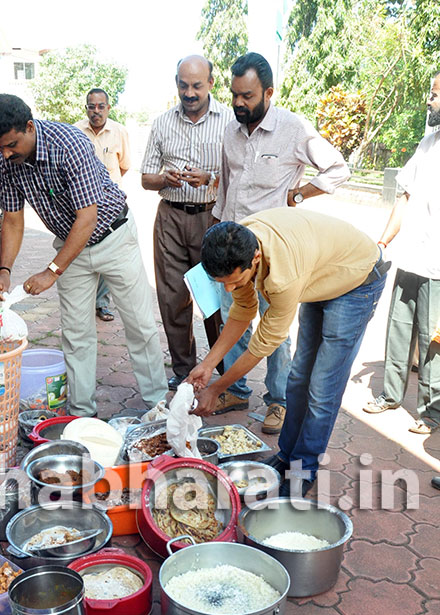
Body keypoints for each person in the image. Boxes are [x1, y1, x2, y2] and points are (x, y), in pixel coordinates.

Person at [0, 94, 167, 418]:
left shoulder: (69, 143)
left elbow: (87, 218)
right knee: (77, 333)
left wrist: (51, 271)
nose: (6, 154)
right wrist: (4, 271)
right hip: (71, 246)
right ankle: (82, 414)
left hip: (114, 236)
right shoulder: (9, 164)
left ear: (29, 127)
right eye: (0, 147)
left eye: (11, 145)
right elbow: (12, 220)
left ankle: (158, 406)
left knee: (139, 325)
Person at [188, 210, 389, 497]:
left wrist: (217, 388)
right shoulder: (237, 244)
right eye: (223, 283)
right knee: (297, 379)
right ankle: (286, 456)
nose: (229, 288)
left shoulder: (283, 277)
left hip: (357, 280)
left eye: (234, 281)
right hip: (320, 274)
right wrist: (208, 364)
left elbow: (262, 344)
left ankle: (303, 470)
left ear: (255, 258)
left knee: (322, 388)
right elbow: (242, 311)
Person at [213, 52, 350, 432]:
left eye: (248, 96)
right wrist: (217, 227)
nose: (239, 103)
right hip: (232, 250)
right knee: (233, 320)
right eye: (234, 95)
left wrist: (300, 194)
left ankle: (278, 401)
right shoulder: (230, 131)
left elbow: (339, 168)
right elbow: (226, 184)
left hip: (273, 255)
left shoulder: (293, 128)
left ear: (269, 93)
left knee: (275, 332)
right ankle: (236, 390)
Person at [141, 55, 233, 400]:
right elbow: (146, 177)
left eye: (196, 85)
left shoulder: (229, 121)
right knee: (172, 298)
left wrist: (210, 178)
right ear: (176, 84)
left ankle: (222, 373)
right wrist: (164, 178)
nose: (189, 93)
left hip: (213, 217)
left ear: (211, 83)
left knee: (215, 298)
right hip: (171, 217)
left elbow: (238, 174)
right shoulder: (162, 123)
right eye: (183, 85)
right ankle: (184, 370)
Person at [362, 71, 440, 435]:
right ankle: (391, 395)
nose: (429, 100)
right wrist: (382, 243)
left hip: (437, 268)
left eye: (435, 95)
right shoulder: (428, 144)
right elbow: (404, 197)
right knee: (398, 328)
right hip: (411, 257)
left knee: (432, 340)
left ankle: (432, 412)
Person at [75, 87, 131, 322]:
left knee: (110, 253)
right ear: (86, 108)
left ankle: (102, 303)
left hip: (111, 206)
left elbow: (124, 165)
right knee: (82, 252)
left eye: (100, 107)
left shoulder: (119, 132)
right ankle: (83, 304)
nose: (96, 111)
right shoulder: (76, 131)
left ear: (108, 108)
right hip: (82, 203)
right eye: (91, 107)